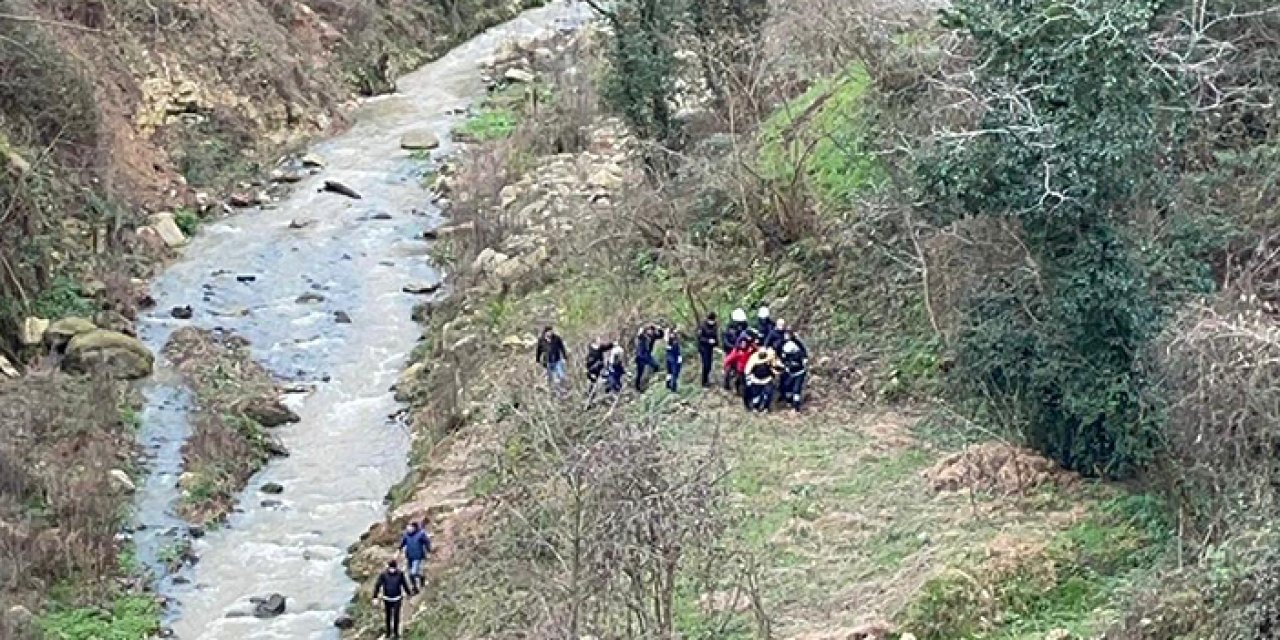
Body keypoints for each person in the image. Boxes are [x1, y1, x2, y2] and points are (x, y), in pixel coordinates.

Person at [373, 560, 412, 639]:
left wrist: (408, 594)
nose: (392, 570)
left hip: (397, 598)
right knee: (388, 616)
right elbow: (377, 585)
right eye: (391, 568)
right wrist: (375, 597)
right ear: (388, 567)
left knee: (396, 616)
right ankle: (388, 632)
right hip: (387, 599)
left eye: (393, 568)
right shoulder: (383, 574)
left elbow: (404, 584)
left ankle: (396, 633)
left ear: (396, 567)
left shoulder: (400, 574)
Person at [399, 521, 432, 594]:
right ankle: (415, 587)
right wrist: (399, 549)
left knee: (412, 573)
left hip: (418, 557)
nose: (408, 528)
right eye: (408, 527)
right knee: (410, 575)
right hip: (409, 557)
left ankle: (422, 579)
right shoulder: (406, 535)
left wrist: (429, 550)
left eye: (410, 527)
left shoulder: (420, 534)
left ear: (414, 527)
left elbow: (427, 542)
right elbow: (402, 543)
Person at [744, 347, 781, 412]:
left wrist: (776, 371)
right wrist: (748, 378)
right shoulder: (754, 358)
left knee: (767, 394)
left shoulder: (770, 357)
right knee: (756, 396)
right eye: (761, 353)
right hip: (756, 379)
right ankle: (755, 407)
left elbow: (774, 366)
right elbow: (748, 369)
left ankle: (766, 408)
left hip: (767, 379)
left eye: (764, 353)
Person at [535, 326, 568, 393]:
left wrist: (564, 357)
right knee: (555, 378)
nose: (551, 333)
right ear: (546, 332)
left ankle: (563, 387)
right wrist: (537, 360)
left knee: (562, 375)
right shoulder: (541, 340)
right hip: (548, 362)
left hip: (557, 360)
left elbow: (562, 347)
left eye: (551, 331)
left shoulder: (556, 338)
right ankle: (559, 390)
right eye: (549, 332)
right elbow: (538, 350)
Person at [780, 338, 808, 411]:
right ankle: (789, 402)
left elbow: (804, 360)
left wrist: (803, 361)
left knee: (796, 389)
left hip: (799, 373)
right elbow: (783, 361)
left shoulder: (799, 354)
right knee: (787, 387)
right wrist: (784, 366)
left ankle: (796, 407)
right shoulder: (785, 353)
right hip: (789, 373)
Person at [634, 325, 661, 391]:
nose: (651, 331)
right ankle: (637, 387)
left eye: (652, 330)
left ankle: (654, 379)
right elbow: (639, 335)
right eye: (649, 330)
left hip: (647, 355)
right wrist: (641, 329)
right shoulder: (643, 336)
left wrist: (659, 329)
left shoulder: (653, 336)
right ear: (646, 331)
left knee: (656, 365)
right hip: (641, 356)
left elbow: (660, 335)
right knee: (640, 373)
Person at [697, 313, 719, 388]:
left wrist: (716, 343)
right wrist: (708, 341)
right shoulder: (702, 326)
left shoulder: (715, 325)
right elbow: (700, 338)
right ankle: (704, 381)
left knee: (709, 365)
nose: (712, 322)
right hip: (703, 348)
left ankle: (707, 379)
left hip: (710, 348)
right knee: (706, 364)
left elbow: (715, 336)